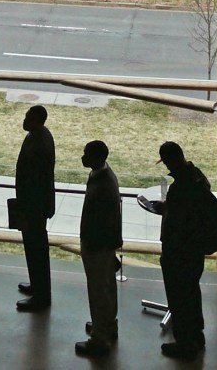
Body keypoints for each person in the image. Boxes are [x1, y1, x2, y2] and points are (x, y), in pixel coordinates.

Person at [152, 141, 210, 360]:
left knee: (179, 297)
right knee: (192, 294)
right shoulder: (198, 177)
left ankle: (185, 343)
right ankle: (197, 335)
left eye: (166, 161)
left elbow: (178, 222)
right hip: (194, 251)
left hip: (178, 253)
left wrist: (165, 210)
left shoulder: (179, 188)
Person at [74, 140, 122, 357]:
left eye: (86, 154)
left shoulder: (102, 184)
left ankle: (99, 338)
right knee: (107, 287)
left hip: (97, 246)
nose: (82, 157)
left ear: (96, 158)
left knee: (98, 290)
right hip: (103, 245)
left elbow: (100, 220)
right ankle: (107, 325)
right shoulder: (105, 177)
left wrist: (91, 245)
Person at [15, 105, 56, 312]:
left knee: (36, 248)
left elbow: (35, 180)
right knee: (34, 248)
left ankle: (41, 296)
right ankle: (38, 286)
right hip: (35, 205)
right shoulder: (40, 136)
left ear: (35, 120)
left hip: (34, 206)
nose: (24, 120)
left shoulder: (38, 141)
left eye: (27, 117)